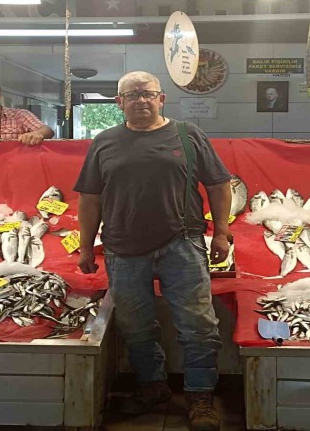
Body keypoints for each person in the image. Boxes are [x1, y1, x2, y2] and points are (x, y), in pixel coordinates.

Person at [74, 71, 231, 431]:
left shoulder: (189, 135)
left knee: (199, 326)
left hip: (183, 244)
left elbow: (219, 186)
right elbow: (90, 198)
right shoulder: (104, 142)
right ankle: (152, 386)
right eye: (132, 95)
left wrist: (221, 234)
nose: (140, 100)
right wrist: (86, 247)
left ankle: (200, 395)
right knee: (135, 325)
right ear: (119, 103)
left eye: (148, 94)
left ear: (162, 99)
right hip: (122, 249)